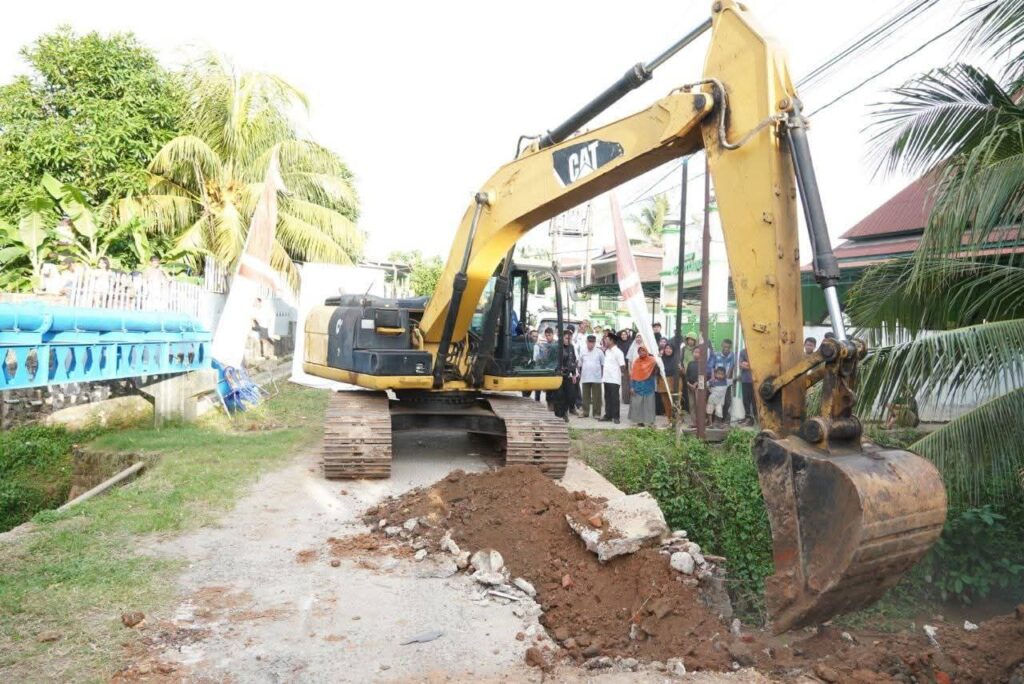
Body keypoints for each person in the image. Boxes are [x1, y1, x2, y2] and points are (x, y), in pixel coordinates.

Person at [628, 345, 658, 427]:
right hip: (637, 386)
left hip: (648, 386)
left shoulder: (652, 361)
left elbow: (657, 368)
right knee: (637, 404)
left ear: (647, 351)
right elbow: (633, 375)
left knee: (649, 405)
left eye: (643, 350)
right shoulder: (636, 361)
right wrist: (631, 386)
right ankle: (639, 421)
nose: (641, 352)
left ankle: (650, 422)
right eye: (640, 351)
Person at [707, 338, 736, 422]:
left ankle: (722, 419)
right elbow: (712, 367)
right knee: (712, 400)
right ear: (722, 346)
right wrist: (713, 377)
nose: (726, 349)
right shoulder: (716, 355)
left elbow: (731, 367)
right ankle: (710, 420)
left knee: (727, 401)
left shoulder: (732, 355)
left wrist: (726, 379)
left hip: (725, 382)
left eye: (728, 347)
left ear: (730, 347)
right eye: (725, 347)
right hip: (716, 381)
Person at [600, 333, 625, 424]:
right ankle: (608, 415)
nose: (605, 341)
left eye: (607, 339)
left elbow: (622, 366)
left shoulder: (618, 352)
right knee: (607, 397)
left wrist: (620, 375)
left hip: (614, 379)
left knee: (614, 398)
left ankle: (616, 417)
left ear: (612, 341)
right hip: (606, 378)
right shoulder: (607, 351)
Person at [554, 330, 578, 422]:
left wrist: (574, 374)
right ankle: (559, 415)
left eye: (570, 338)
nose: (568, 340)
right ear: (562, 338)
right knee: (559, 396)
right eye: (567, 338)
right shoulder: (557, 346)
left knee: (569, 395)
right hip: (558, 375)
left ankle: (565, 412)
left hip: (568, 375)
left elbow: (573, 360)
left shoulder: (571, 347)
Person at [578, 334, 604, 418]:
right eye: (589, 342)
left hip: (596, 377)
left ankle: (597, 413)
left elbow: (603, 364)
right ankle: (585, 412)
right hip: (585, 376)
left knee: (597, 396)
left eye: (592, 343)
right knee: (585, 396)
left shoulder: (599, 352)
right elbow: (580, 364)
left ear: (595, 343)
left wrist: (602, 375)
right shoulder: (583, 351)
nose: (591, 344)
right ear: (586, 342)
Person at [657, 339, 678, 418]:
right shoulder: (661, 359)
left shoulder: (676, 359)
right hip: (663, 382)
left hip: (674, 382)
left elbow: (681, 372)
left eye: (670, 348)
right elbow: (657, 370)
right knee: (665, 402)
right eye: (666, 348)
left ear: (673, 350)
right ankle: (669, 420)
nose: (668, 350)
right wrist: (658, 359)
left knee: (675, 401)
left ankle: (676, 419)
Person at [738, 347, 755, 425]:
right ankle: (748, 418)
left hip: (756, 381)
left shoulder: (756, 350)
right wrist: (750, 365)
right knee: (746, 400)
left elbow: (756, 365)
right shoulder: (743, 351)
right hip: (745, 380)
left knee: (755, 401)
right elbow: (741, 365)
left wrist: (747, 364)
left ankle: (755, 419)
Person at [617, 329, 632, 405]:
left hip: (630, 364)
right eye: (622, 335)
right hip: (622, 365)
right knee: (624, 383)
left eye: (625, 334)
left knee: (630, 382)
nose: (624, 336)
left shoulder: (631, 342)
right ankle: (626, 399)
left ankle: (631, 397)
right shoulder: (618, 343)